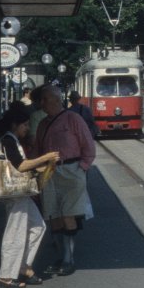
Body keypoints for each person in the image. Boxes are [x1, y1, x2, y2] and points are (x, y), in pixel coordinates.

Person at [0, 103, 59, 288]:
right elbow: (20, 165)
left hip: (21, 193)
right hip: (15, 194)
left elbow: (23, 166)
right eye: (25, 125)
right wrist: (44, 158)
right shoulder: (8, 140)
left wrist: (46, 166)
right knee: (15, 232)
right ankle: (6, 275)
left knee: (38, 226)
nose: (27, 128)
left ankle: (23, 266)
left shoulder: (11, 139)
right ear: (15, 125)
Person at [33, 85, 96, 276]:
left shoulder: (73, 119)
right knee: (54, 216)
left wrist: (82, 168)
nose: (41, 103)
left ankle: (69, 258)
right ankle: (61, 256)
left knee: (69, 214)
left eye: (45, 99)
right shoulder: (43, 123)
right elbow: (38, 148)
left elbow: (88, 145)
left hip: (71, 170)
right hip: (50, 172)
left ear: (56, 99)